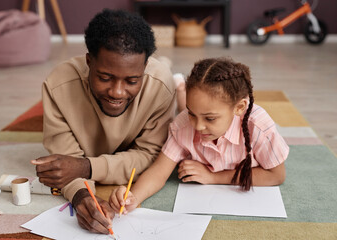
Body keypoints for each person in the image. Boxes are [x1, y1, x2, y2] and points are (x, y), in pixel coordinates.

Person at [30, 9, 176, 234]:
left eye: (132, 80)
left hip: (101, 158)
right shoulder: (58, 86)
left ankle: (177, 77)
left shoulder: (161, 86)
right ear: (89, 61)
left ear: (144, 68)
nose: (117, 92)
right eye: (105, 77)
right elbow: (65, 161)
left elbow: (150, 156)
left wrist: (85, 167)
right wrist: (81, 195)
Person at [109, 57, 289, 215]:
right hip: (183, 115)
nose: (199, 126)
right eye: (192, 113)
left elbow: (276, 175)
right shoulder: (183, 125)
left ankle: (179, 89)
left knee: (186, 113)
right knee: (181, 113)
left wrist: (213, 177)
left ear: (239, 108)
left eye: (210, 118)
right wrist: (133, 196)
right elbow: (158, 172)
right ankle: (181, 92)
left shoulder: (259, 127)